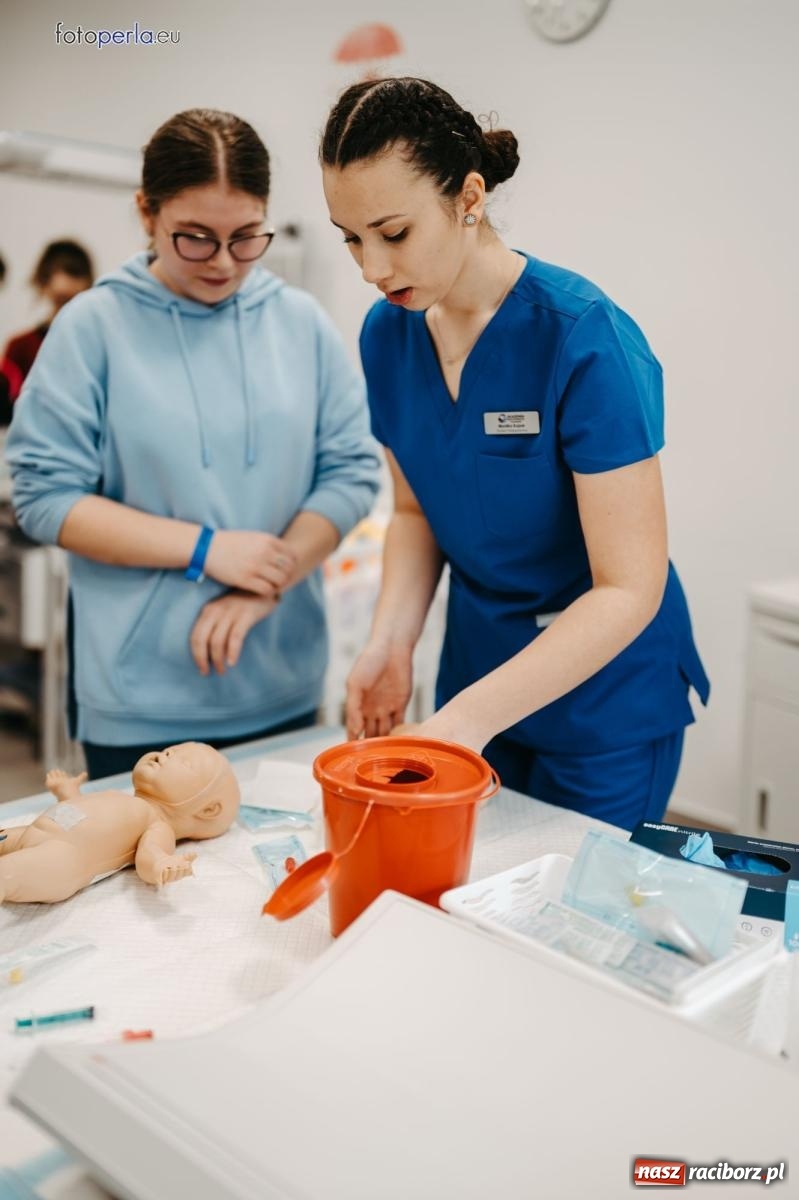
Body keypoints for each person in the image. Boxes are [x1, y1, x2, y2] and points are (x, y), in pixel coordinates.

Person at [320, 77, 709, 830]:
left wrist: (465, 721)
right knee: (464, 890)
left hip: (603, 704)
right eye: (351, 238)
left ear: (468, 198)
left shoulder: (583, 336)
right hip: (477, 675)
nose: (371, 268)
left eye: (393, 233)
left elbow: (629, 588)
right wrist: (391, 643)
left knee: (572, 903)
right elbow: (414, 511)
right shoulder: (387, 334)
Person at [7, 108, 380, 779]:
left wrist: (268, 580)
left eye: (245, 237)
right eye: (195, 239)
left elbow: (350, 471)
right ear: (146, 213)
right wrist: (209, 550)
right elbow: (46, 499)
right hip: (139, 700)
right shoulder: (92, 328)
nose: (224, 263)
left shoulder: (299, 323)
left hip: (282, 680)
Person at [0, 742, 240, 903]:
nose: (166, 754)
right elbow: (80, 812)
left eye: (185, 763)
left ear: (208, 810)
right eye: (170, 750)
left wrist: (162, 865)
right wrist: (68, 791)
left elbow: (150, 855)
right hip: (36, 831)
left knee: (8, 872)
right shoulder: (124, 799)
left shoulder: (158, 824)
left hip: (62, 858)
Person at [0, 239, 94, 404]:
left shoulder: (97, 345)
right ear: (43, 285)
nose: (67, 310)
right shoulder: (21, 347)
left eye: (75, 300)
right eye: (61, 300)